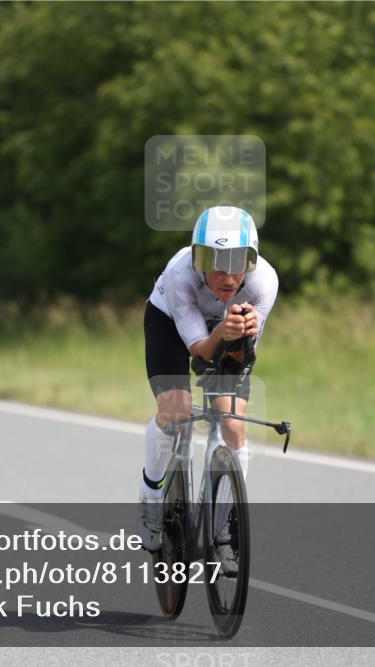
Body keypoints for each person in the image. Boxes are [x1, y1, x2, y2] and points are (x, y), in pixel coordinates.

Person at [138, 205, 279, 561]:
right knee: (177, 410)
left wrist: (237, 338)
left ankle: (226, 524)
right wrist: (220, 331)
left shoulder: (264, 282)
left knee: (232, 424)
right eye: (214, 262)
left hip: (224, 329)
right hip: (171, 324)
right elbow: (200, 355)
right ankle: (151, 494)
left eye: (237, 262)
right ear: (197, 258)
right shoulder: (179, 275)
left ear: (253, 260)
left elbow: (239, 360)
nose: (227, 276)